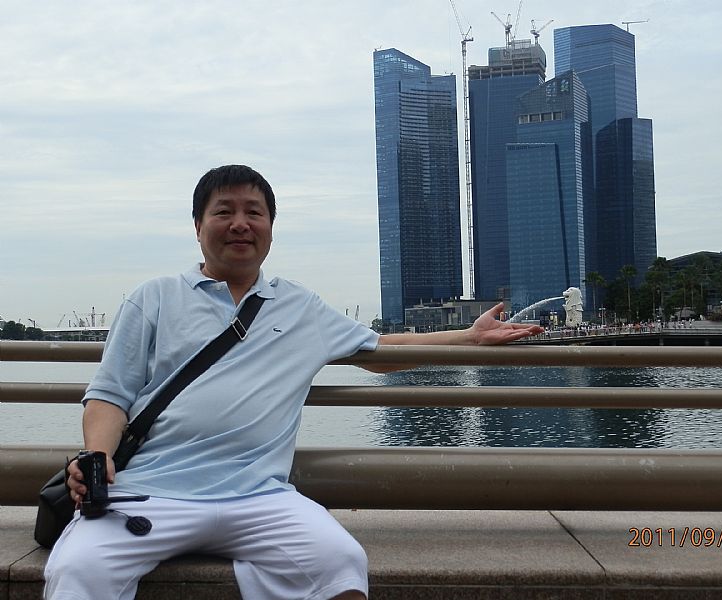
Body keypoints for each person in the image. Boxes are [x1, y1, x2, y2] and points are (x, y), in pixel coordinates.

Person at [43, 165, 543, 600]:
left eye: (254, 212)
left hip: (259, 496)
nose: (240, 223)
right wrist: (99, 457)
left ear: (270, 228)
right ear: (197, 227)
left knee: (340, 564)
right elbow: (109, 394)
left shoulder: (300, 307)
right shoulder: (153, 298)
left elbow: (379, 352)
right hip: (151, 491)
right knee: (77, 570)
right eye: (223, 212)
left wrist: (470, 338)